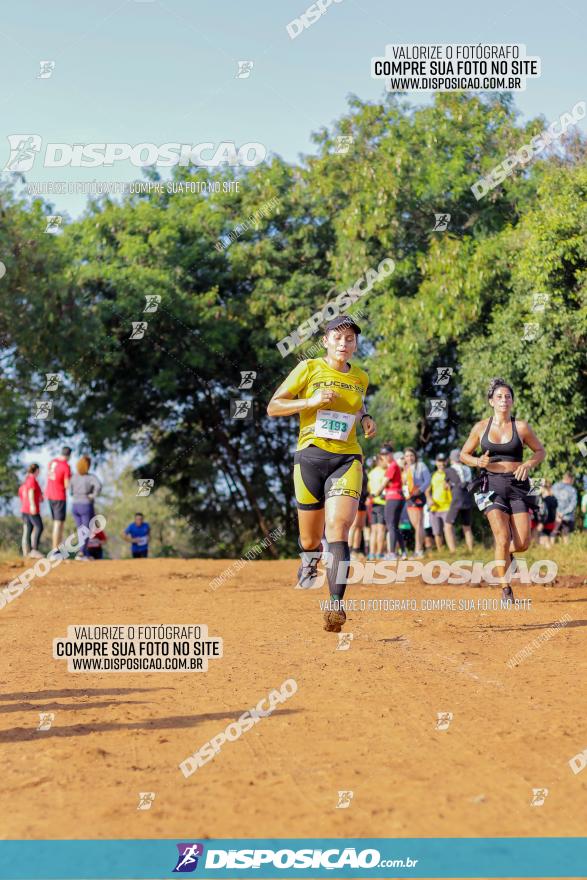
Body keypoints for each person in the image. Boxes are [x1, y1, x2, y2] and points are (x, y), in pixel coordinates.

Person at [267, 315, 376, 633]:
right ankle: (309, 558)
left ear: (355, 344)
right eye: (338, 338)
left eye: (350, 339)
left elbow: (356, 404)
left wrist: (365, 417)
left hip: (347, 459)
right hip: (310, 458)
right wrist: (311, 401)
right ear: (326, 340)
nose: (345, 343)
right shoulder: (308, 368)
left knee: (337, 527)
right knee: (310, 538)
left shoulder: (360, 377)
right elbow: (273, 406)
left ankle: (335, 604)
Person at [460, 378, 545, 601]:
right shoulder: (481, 427)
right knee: (502, 536)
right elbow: (463, 455)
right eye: (499, 397)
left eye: (507, 396)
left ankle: (506, 555)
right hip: (491, 485)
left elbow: (539, 452)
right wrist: (477, 462)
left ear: (512, 401)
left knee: (523, 543)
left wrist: (527, 464)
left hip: (518, 485)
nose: (504, 400)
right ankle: (506, 590)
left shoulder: (522, 427)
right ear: (491, 401)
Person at [70, 455, 102, 561]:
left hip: (75, 505)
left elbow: (70, 490)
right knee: (86, 530)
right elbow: (98, 486)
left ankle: (84, 553)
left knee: (80, 530)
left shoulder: (74, 477)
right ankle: (82, 553)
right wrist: (92, 495)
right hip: (85, 505)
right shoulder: (90, 477)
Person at [402, 448, 431, 558]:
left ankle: (418, 550)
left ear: (415, 456)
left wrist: (420, 490)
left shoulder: (421, 465)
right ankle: (421, 549)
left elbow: (428, 480)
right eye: (407, 456)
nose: (409, 458)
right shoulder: (404, 468)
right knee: (416, 525)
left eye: (411, 455)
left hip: (418, 496)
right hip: (408, 497)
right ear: (404, 458)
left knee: (418, 524)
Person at [444, 449, 474, 552]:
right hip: (468, 498)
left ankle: (453, 551)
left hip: (457, 499)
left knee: (447, 525)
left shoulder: (448, 470)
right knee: (467, 526)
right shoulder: (467, 469)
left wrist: (447, 485)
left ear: (451, 459)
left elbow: (446, 485)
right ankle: (470, 550)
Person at [45, 446, 72, 552]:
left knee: (56, 522)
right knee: (58, 523)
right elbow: (66, 485)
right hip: (59, 496)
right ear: (69, 455)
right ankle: (55, 550)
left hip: (50, 495)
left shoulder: (52, 462)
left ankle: (56, 549)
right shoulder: (66, 466)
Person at [382, 445, 406, 560]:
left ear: (392, 454)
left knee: (391, 525)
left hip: (393, 497)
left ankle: (392, 553)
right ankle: (404, 552)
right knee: (395, 526)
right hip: (399, 498)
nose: (385, 456)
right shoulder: (395, 466)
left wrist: (374, 493)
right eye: (383, 454)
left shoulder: (392, 465)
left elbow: (384, 483)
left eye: (387, 454)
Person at [19, 464, 44, 558]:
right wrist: (32, 505)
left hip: (25, 509)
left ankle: (28, 551)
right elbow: (30, 492)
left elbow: (22, 494)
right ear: (36, 470)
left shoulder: (25, 480)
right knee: (39, 527)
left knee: (29, 529)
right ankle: (34, 550)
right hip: (31, 509)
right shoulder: (32, 480)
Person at [367, 453, 388, 560]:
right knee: (381, 530)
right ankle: (379, 553)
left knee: (373, 530)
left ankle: (371, 553)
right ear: (380, 461)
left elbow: (369, 489)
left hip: (373, 503)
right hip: (382, 503)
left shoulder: (371, 473)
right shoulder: (384, 472)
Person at [349, 466, 369, 561]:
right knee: (353, 526)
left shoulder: (364, 470)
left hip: (363, 501)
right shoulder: (353, 468)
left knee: (360, 527)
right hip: (355, 499)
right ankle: (348, 551)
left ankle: (355, 551)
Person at [551, 472, 578, 543]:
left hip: (555, 516)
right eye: (572, 480)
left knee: (553, 532)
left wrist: (557, 512)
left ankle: (550, 550)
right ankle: (566, 552)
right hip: (567, 517)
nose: (573, 482)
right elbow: (573, 505)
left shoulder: (555, 486)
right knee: (565, 535)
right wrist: (563, 513)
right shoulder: (572, 490)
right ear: (570, 479)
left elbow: (550, 499)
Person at [536, 480, 557, 547]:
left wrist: (542, 522)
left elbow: (544, 512)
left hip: (545, 522)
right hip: (552, 522)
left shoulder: (544, 500)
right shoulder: (554, 498)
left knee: (542, 538)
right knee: (548, 538)